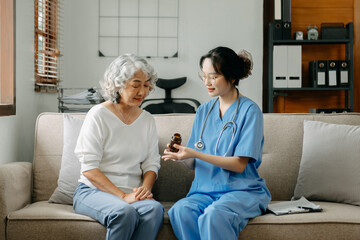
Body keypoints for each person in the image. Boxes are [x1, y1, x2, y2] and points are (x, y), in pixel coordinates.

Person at [162, 46, 271, 240]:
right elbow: (193, 161)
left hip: (240, 191)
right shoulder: (203, 111)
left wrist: (195, 153)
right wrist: (181, 156)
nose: (207, 82)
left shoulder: (250, 111)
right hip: (203, 191)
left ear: (231, 76)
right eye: (203, 76)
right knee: (180, 211)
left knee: (214, 216)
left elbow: (239, 165)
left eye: (213, 76)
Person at [73, 54, 164, 240]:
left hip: (132, 192)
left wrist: (144, 191)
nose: (142, 92)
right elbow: (89, 168)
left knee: (154, 209)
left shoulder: (147, 119)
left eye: (146, 85)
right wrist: (122, 197)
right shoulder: (98, 115)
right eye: (136, 85)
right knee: (124, 212)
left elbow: (151, 163)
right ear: (118, 85)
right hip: (92, 192)